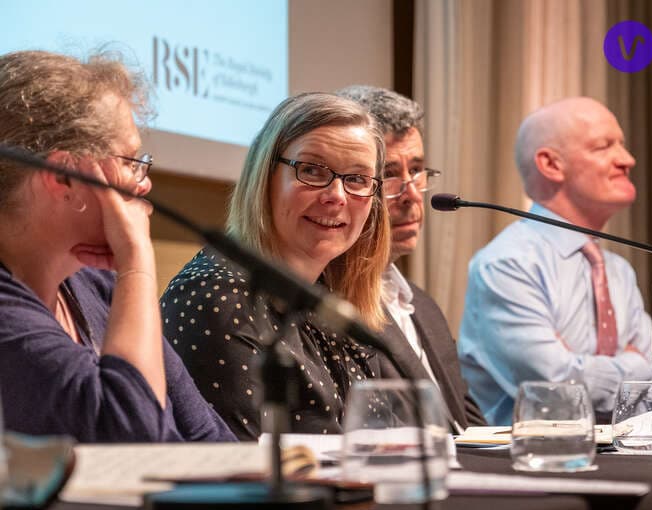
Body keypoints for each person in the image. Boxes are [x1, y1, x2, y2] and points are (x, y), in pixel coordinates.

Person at [0, 50, 234, 442]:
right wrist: (138, 261)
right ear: (66, 177)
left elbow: (208, 436)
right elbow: (130, 438)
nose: (144, 183)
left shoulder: (98, 286)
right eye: (131, 162)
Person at [162, 93, 390, 439]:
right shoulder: (215, 295)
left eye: (357, 179)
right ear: (264, 177)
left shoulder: (330, 299)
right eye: (312, 170)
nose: (337, 195)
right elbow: (243, 467)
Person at [458, 97, 652, 425]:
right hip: (532, 466)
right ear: (551, 165)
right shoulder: (507, 265)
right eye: (604, 147)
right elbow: (556, 390)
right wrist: (635, 366)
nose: (627, 160)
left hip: (629, 460)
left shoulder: (618, 270)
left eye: (623, 145)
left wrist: (586, 369)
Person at [336, 85, 486, 431]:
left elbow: (469, 430)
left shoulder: (424, 307)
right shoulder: (334, 307)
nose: (412, 195)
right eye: (389, 174)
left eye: (417, 170)